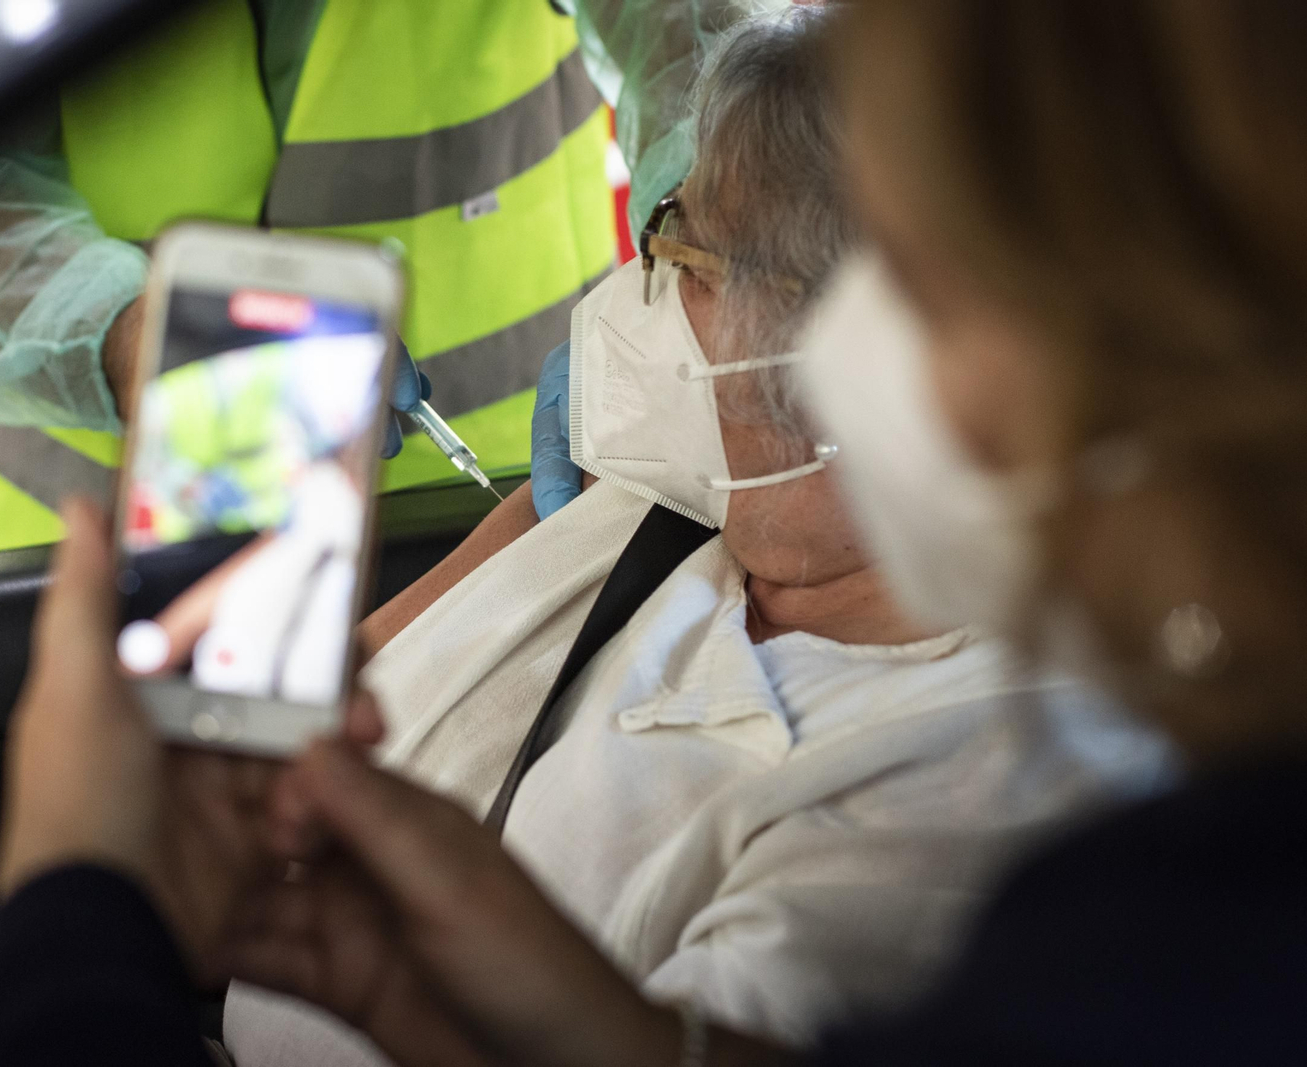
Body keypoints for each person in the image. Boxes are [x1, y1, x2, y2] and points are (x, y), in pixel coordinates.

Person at [0, 2, 1305, 1067]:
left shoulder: (1107, 878)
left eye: (683, 255)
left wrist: (64, 915)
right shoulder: (656, 509)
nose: (636, 282)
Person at [231, 12, 1169, 1065]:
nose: (638, 291)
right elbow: (286, 714)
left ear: (845, 356)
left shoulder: (965, 777)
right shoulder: (670, 492)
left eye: (679, 248)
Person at [0, 0, 767, 557]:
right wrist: (129, 333)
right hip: (107, 554)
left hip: (499, 508)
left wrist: (707, 245)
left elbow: (701, 32)